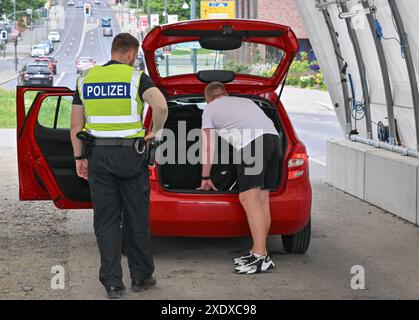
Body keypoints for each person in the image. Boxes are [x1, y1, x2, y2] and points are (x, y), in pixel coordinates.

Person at [70, 33, 168, 298]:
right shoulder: (136, 77)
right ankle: (142, 277)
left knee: (106, 221)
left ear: (113, 51)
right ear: (130, 54)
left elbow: (76, 126)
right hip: (130, 156)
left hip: (98, 157)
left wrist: (80, 158)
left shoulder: (86, 78)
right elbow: (160, 106)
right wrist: (155, 134)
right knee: (136, 217)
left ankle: (113, 283)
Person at [198, 82, 281, 274]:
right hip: (274, 141)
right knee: (262, 200)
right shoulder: (245, 102)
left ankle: (261, 257)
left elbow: (208, 147)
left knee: (248, 198)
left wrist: (205, 176)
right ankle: (258, 252)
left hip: (253, 144)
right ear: (226, 93)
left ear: (207, 99)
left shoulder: (210, 109)